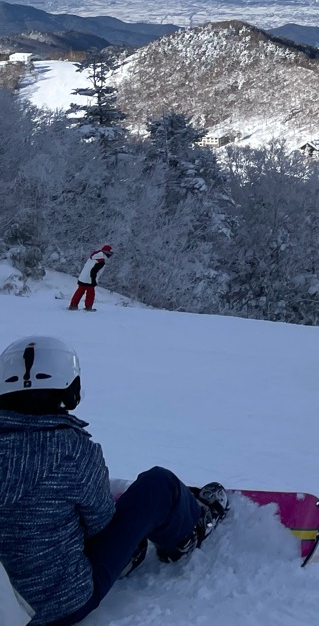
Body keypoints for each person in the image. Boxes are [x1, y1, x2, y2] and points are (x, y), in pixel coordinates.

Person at [0, 336, 229, 626]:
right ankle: (190, 529)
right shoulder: (73, 451)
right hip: (57, 605)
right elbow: (101, 524)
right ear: (71, 389)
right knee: (158, 485)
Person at [67, 246, 112, 312]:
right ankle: (88, 307)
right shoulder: (101, 261)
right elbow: (93, 271)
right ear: (106, 251)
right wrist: (93, 280)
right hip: (89, 279)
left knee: (79, 292)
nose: (110, 253)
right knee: (90, 294)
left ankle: (73, 306)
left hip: (82, 277)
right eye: (109, 251)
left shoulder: (94, 256)